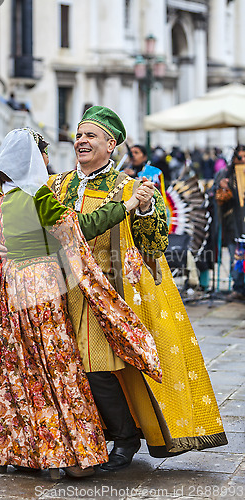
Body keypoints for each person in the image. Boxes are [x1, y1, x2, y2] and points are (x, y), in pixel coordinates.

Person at [47, 105, 227, 470]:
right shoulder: (57, 185)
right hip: (63, 291)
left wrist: (143, 210)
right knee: (66, 367)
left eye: (90, 135)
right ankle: (87, 438)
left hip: (110, 294)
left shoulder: (133, 188)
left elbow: (154, 245)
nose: (80, 141)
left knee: (97, 365)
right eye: (79, 135)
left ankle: (125, 437)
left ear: (111, 144)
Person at [0, 128, 153, 479]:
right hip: (37, 289)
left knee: (13, 369)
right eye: (43, 153)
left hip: (2, 293)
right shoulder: (39, 193)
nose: (47, 159)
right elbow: (79, 227)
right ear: (34, 157)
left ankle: (20, 449)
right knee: (55, 367)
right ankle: (68, 454)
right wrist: (128, 205)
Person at [214, 145, 245, 300]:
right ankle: (238, 289)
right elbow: (212, 194)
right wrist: (222, 187)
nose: (243, 160)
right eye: (240, 157)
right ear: (234, 159)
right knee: (236, 258)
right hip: (234, 224)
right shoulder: (225, 174)